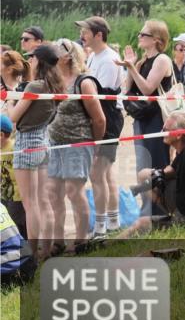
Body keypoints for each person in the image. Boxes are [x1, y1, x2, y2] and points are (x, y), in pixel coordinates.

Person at [47, 39, 105, 251]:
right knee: (53, 192)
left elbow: (99, 119)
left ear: (69, 56)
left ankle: (81, 239)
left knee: (74, 191)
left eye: (58, 50)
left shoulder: (84, 82)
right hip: (55, 143)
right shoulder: (53, 79)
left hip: (78, 143)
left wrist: (95, 145)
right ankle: (58, 240)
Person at [8, 43, 59, 254]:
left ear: (39, 61)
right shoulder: (53, 84)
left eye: (33, 57)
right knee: (43, 202)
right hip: (42, 141)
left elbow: (12, 117)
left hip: (27, 143)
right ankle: (45, 251)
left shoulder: (35, 86)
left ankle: (33, 256)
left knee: (31, 204)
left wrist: (11, 97)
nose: (30, 60)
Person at [77, 16, 124, 235]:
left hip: (107, 119)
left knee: (97, 174)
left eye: (85, 31)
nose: (81, 35)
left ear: (98, 34)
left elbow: (100, 98)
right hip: (101, 118)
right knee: (104, 174)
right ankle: (112, 222)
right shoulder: (95, 57)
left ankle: (101, 225)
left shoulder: (108, 59)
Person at [117, 21, 174, 184]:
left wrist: (132, 67)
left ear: (156, 39)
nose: (139, 37)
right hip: (142, 118)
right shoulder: (142, 62)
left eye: (143, 34)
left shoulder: (162, 59)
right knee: (142, 165)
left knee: (156, 162)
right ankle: (146, 206)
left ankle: (160, 207)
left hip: (157, 119)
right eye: (139, 34)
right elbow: (128, 88)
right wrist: (132, 65)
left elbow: (148, 89)